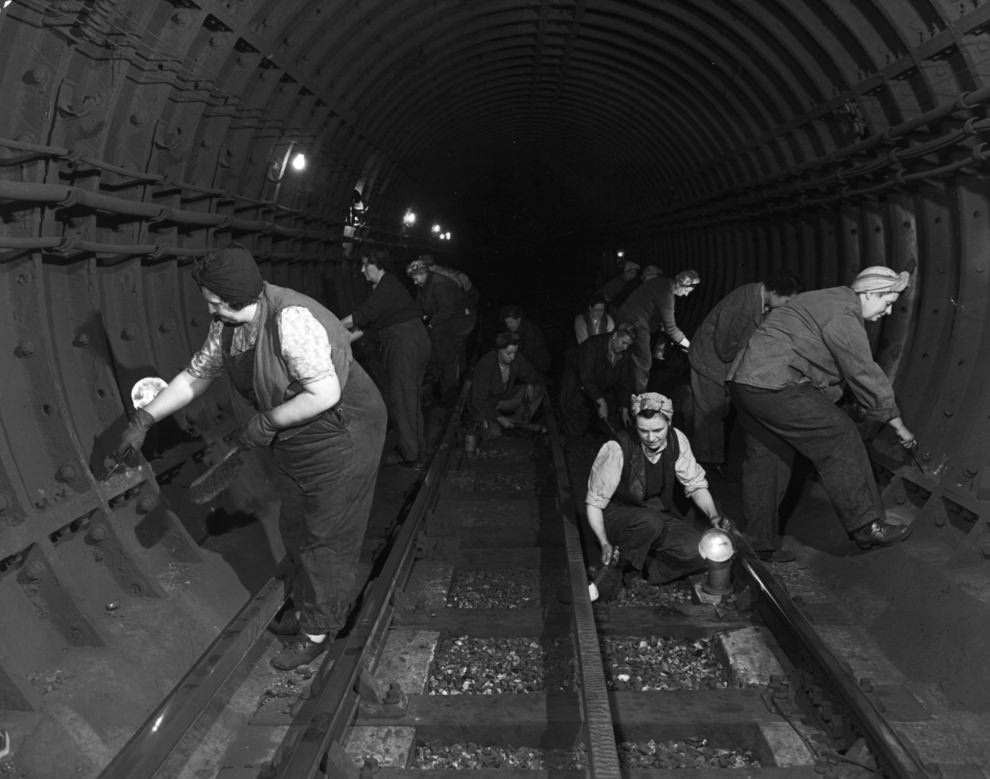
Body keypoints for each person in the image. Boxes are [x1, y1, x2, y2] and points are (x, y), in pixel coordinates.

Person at [108, 247, 387, 670]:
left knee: (327, 531)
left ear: (237, 296)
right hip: (302, 435)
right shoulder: (230, 326)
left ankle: (319, 629)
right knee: (297, 523)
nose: (209, 307)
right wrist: (145, 416)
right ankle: (309, 605)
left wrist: (268, 422)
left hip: (344, 432)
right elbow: (196, 376)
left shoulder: (290, 320)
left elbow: (324, 394)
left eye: (215, 300)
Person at [727, 266, 917, 560]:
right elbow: (862, 370)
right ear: (868, 294)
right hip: (776, 383)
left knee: (768, 460)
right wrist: (896, 422)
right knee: (840, 436)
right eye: (887, 302)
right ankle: (867, 526)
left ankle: (758, 542)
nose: (888, 312)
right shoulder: (843, 312)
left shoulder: (823, 299)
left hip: (745, 383)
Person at [584, 392, 728, 598]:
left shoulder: (677, 440)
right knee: (650, 522)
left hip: (654, 516)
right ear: (636, 426)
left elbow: (695, 485)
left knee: (698, 552)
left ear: (669, 422)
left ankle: (646, 569)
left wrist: (713, 515)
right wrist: (604, 541)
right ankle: (620, 574)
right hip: (616, 517)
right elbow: (594, 504)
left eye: (657, 430)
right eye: (643, 431)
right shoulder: (617, 447)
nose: (651, 438)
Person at [688, 271, 802, 466]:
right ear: (774, 292)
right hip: (709, 363)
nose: (787, 306)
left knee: (715, 413)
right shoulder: (744, 303)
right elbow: (725, 348)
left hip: (717, 363)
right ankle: (705, 464)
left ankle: (707, 455)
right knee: (710, 415)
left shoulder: (757, 299)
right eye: (787, 300)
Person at [341, 247, 431, 468]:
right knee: (410, 398)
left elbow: (362, 316)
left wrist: (327, 325)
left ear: (378, 265)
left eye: (365, 265)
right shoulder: (387, 286)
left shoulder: (386, 286)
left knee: (401, 399)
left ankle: (410, 455)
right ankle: (417, 448)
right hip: (414, 340)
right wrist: (339, 340)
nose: (362, 270)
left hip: (404, 343)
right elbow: (368, 325)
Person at [617, 269, 700, 393]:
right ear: (682, 285)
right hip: (637, 324)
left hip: (622, 316)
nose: (686, 295)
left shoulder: (659, 281)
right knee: (643, 362)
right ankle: (641, 400)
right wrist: (690, 346)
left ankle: (622, 391)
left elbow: (649, 303)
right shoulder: (667, 295)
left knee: (625, 357)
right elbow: (671, 329)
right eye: (688, 291)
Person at [407, 258, 474, 404]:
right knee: (435, 345)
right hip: (444, 320)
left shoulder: (440, 284)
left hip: (459, 322)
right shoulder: (423, 285)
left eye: (416, 278)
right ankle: (433, 378)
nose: (415, 282)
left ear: (424, 273)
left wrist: (431, 324)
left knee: (447, 354)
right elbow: (419, 306)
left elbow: (449, 309)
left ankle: (449, 395)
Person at [557, 323, 635, 438]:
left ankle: (594, 418)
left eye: (628, 345)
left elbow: (625, 381)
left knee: (616, 423)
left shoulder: (625, 353)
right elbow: (586, 377)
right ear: (614, 335)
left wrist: (624, 408)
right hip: (578, 386)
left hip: (602, 385)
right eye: (623, 343)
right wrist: (600, 401)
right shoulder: (592, 346)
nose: (625, 348)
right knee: (574, 431)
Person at [469, 332, 544, 440]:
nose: (512, 357)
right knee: (494, 433)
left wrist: (530, 384)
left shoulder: (515, 357)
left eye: (514, 353)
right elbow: (478, 401)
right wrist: (499, 418)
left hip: (504, 399)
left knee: (538, 390)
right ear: (499, 350)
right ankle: (496, 421)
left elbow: (531, 373)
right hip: (487, 404)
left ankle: (516, 422)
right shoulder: (486, 364)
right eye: (508, 353)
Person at [500, 304, 552, 374]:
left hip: (537, 367)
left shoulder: (531, 332)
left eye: (511, 322)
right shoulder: (511, 330)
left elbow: (530, 356)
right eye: (507, 323)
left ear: (518, 319)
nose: (508, 325)